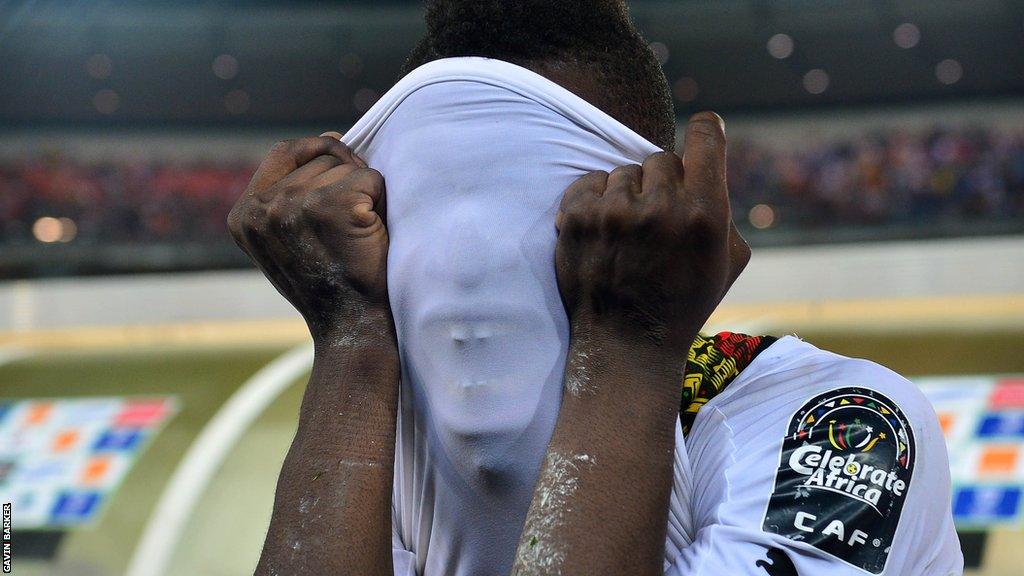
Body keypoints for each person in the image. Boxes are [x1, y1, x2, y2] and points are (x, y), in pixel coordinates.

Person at [227, 1, 963, 574]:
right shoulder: (393, 445)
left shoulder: (849, 428)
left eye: (569, 222)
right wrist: (349, 338)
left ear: (660, 215)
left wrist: (629, 345)